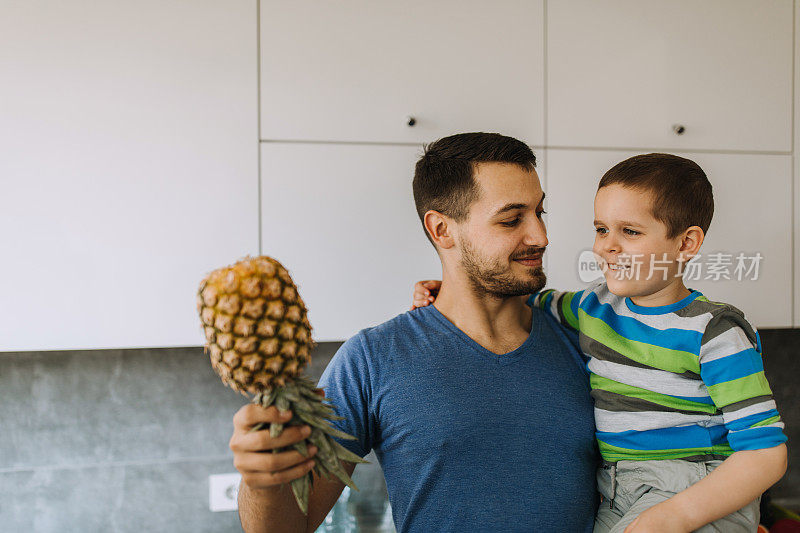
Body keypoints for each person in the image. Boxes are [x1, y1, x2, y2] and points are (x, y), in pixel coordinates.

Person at [229, 132, 599, 533]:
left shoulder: (587, 340)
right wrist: (261, 483)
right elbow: (286, 527)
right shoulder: (373, 359)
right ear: (442, 230)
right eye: (511, 219)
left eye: (539, 213)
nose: (540, 237)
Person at [413, 153, 788, 532]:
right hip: (616, 488)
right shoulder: (594, 307)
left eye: (630, 232)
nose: (607, 247)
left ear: (686, 243)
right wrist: (453, 291)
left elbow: (765, 452)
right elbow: (522, 298)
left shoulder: (714, 331)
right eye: (601, 229)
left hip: (696, 486)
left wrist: (675, 515)